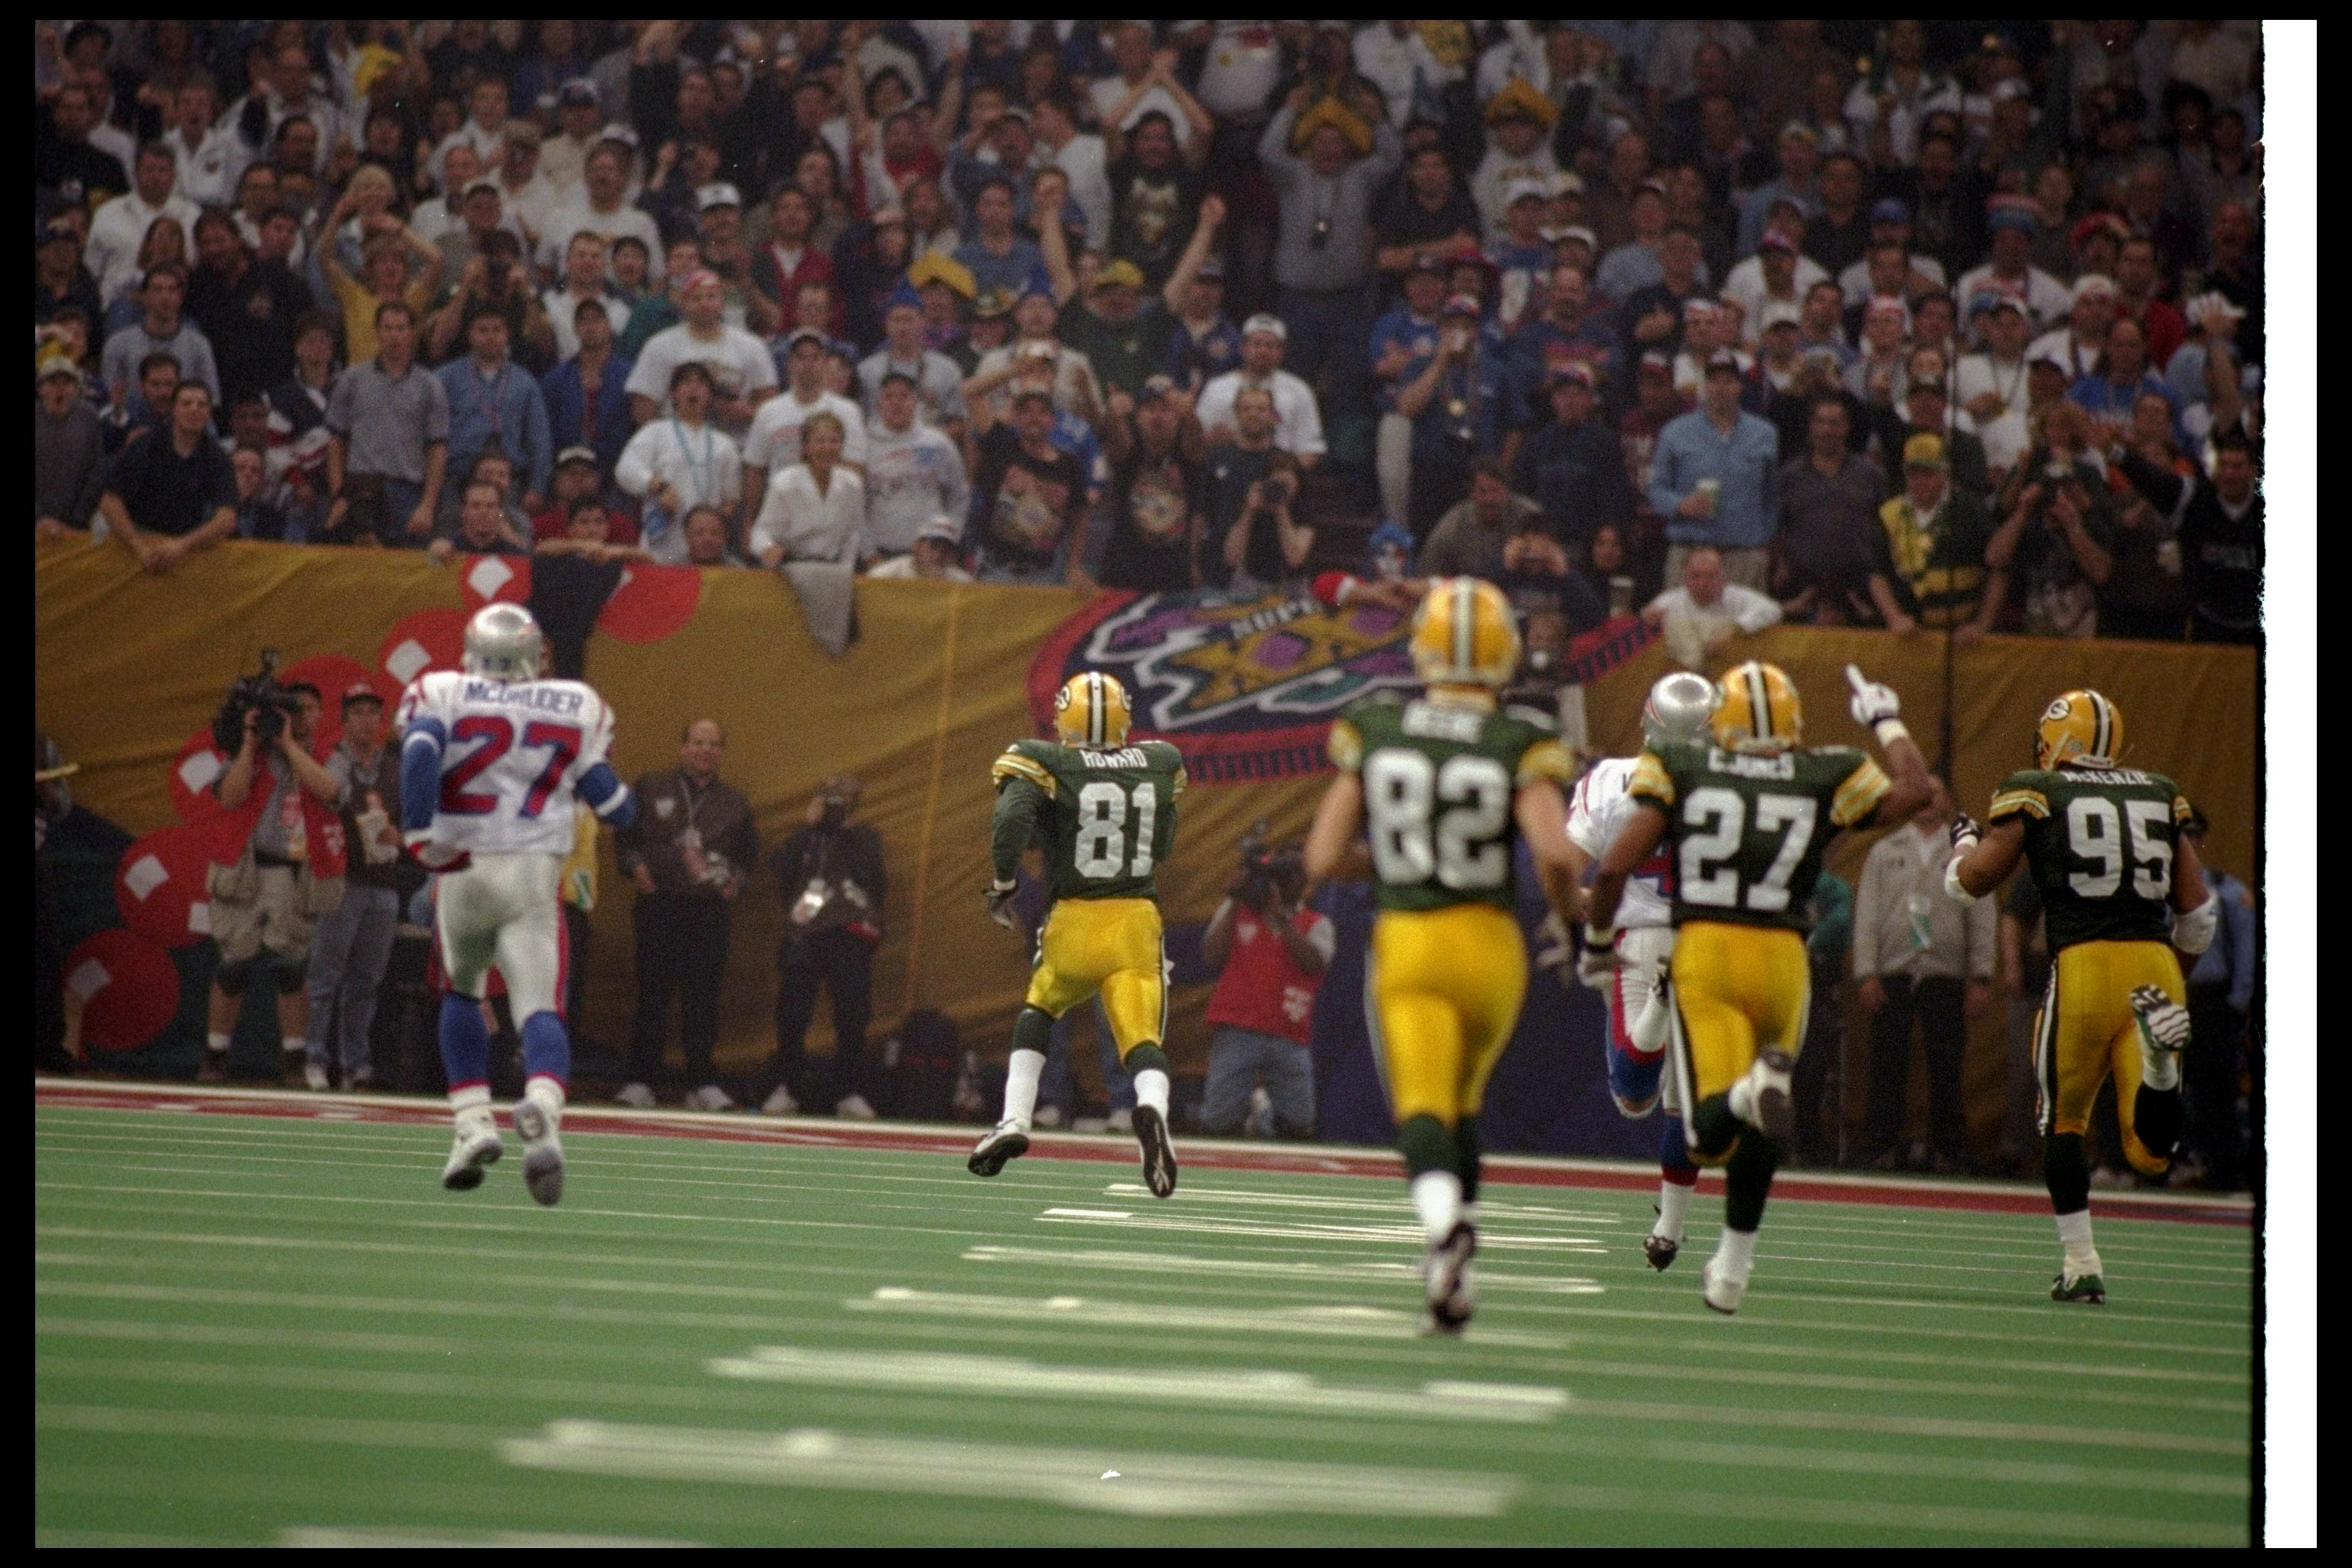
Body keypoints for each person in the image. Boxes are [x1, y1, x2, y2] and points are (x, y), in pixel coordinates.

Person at [1588, 662, 1934, 1312]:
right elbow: (1918, 791)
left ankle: (1748, 1092)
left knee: (1708, 1129)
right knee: (1758, 1132)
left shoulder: (1683, 767)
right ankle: (1733, 1268)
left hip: (1709, 953)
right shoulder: (1822, 770)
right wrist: (1886, 717)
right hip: (1784, 960)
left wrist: (1596, 940)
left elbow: (1611, 866)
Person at [1304, 579, 1579, 1333]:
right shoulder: (1522, 733)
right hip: (1491, 945)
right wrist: (1576, 918)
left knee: (1422, 1107)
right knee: (1464, 1106)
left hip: (1412, 939)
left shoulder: (1377, 723)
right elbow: (1555, 853)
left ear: (1421, 644)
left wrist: (1392, 862)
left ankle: (1440, 1229)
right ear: (1508, 652)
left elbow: (1324, 855)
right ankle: (1449, 1279)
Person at [1945, 688, 2216, 1302]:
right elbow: (2199, 916)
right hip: (2156, 967)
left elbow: (1972, 883)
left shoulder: (2038, 790)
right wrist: (2174, 971)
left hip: (2084, 966)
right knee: (2149, 1153)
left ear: (2056, 740)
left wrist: (1961, 843)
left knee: (2063, 1121)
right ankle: (2159, 1067)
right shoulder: (2159, 791)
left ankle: (2082, 1261)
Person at [397, 604, 635, 1202]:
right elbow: (612, 806)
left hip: (464, 869)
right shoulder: (575, 703)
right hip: (531, 876)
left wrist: (418, 833)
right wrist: (621, 805)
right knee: (538, 1009)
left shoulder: (442, 690)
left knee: (463, 990)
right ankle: (544, 1106)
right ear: (536, 656)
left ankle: (472, 1121)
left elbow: (421, 752)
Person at [973, 673, 1187, 1199]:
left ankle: (1015, 1120)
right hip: (1135, 920)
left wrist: (1004, 883)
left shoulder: (1045, 759)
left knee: (1040, 1010)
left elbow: (1011, 815)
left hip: (1072, 918)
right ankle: (1151, 1114)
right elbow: (1161, 843)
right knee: (1141, 1039)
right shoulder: (1161, 760)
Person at [1560, 671, 1721, 1269]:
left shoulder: (1609, 779)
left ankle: (1669, 1234)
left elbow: (1573, 874)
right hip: (1712, 940)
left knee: (1635, 1095)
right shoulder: (1735, 782)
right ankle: (1671, 1230)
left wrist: (1587, 910)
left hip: (1639, 937)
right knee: (1684, 1100)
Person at [195, 678, 345, 1086]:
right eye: (292, 710)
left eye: (309, 709)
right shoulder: (251, 754)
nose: (300, 716)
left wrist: (290, 747)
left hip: (292, 870)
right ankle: (215, 1055)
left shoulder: (331, 755)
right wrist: (248, 744)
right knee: (232, 966)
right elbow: (229, 797)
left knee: (290, 969)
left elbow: (331, 792)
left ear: (319, 715)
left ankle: (294, 1060)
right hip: (244, 869)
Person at [612, 719, 758, 1112]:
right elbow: (624, 836)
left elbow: (748, 857)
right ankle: (641, 1080)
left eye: (713, 744)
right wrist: (635, 867)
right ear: (683, 748)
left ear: (721, 752)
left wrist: (735, 884)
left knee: (704, 998)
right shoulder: (651, 786)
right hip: (659, 903)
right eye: (698, 743)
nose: (705, 750)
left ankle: (703, 1082)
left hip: (709, 910)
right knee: (652, 995)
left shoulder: (735, 801)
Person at [1853, 776, 1997, 1173]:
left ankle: (1949, 1150)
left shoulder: (1965, 851)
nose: (1930, 800)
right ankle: (1880, 1147)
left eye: (1938, 792)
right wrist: (1866, 972)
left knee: (1946, 1066)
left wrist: (1981, 976)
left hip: (1945, 972)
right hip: (1894, 971)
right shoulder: (1885, 850)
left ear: (1949, 799)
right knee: (1887, 1065)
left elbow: (1983, 914)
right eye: (1924, 792)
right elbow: (1867, 914)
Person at [301, 686, 408, 1092]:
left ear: (382, 722)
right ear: (344, 722)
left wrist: (401, 835)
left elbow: (410, 820)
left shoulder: (393, 768)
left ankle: (354, 1064)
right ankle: (314, 1057)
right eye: (357, 713)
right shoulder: (335, 761)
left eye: (372, 713)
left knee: (366, 981)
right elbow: (334, 797)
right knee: (326, 976)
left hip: (383, 884)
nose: (365, 720)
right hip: (343, 878)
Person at [766, 775, 887, 1119]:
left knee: (852, 1015)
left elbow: (875, 880)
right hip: (804, 932)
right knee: (792, 1014)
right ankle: (786, 1085)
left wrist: (844, 831)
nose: (837, 804)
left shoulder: (865, 836)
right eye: (831, 797)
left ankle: (848, 1090)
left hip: (848, 934)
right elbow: (781, 869)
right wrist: (809, 828)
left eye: (845, 798)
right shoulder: (806, 837)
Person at [1197, 838, 1332, 1138]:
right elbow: (1211, 955)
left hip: (1289, 1031)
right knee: (1217, 1123)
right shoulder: (1239, 910)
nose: (1289, 882)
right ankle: (1250, 1115)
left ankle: (1265, 1115)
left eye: (1296, 875)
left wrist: (1282, 918)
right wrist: (1235, 898)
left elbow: (1315, 963)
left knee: (1299, 1125)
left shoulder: (1316, 923)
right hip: (1238, 1024)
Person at [1648, 353, 1782, 590]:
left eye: (1728, 381)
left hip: (1743, 555)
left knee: (1743, 627)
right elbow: (1656, 488)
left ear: (1740, 386)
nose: (1721, 388)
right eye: (1714, 381)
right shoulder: (1675, 432)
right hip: (1689, 554)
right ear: (1704, 385)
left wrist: (1765, 541)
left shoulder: (1764, 434)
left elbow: (1771, 495)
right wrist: (1680, 505)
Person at [323, 302, 449, 548]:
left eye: (401, 328)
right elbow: (336, 440)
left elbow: (437, 449)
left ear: (412, 332)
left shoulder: (430, 386)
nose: (394, 336)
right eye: (388, 328)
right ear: (377, 332)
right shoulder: (352, 380)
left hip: (408, 493)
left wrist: (427, 505)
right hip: (361, 492)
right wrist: (339, 494)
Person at [2175, 808, 2254, 1192]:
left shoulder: (2226, 892)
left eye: (2193, 834)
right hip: (2173, 998)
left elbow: (2247, 951)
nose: (2187, 842)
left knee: (2216, 1090)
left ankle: (2226, 1168)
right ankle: (2182, 1163)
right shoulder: (2160, 893)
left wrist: (2236, 1004)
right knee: (2169, 1087)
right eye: (2180, 834)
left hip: (2212, 1001)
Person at [97, 380, 237, 575]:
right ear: (173, 409)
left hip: (184, 547)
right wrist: (139, 547)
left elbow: (227, 518)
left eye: (201, 405)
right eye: (186, 404)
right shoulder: (146, 445)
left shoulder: (217, 457)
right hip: (134, 542)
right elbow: (110, 500)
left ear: (209, 413)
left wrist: (182, 545)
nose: (194, 410)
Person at [614, 362, 743, 565]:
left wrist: (714, 527)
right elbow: (626, 469)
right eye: (686, 382)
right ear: (674, 393)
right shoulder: (655, 432)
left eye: (701, 383)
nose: (694, 388)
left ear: (709, 395)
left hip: (705, 545)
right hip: (665, 537)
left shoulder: (724, 444)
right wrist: (658, 486)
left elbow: (731, 498)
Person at [1877, 433, 2004, 639]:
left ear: (1945, 474)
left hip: (1963, 638)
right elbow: (1877, 572)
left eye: (1928, 474)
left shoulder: (1970, 510)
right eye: (1913, 474)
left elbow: (1999, 568)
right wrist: (1894, 617)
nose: (1920, 481)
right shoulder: (1889, 514)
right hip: (1908, 637)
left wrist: (1982, 624)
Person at [437, 309, 552, 512]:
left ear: (507, 335)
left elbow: (539, 439)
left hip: (509, 482)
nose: (491, 337)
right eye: (483, 330)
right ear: (470, 335)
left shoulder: (525, 382)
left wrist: (537, 487)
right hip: (456, 480)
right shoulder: (445, 378)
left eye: (497, 330)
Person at [863, 372, 972, 564]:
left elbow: (959, 496)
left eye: (904, 396)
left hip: (932, 556)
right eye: (889, 397)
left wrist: (950, 538)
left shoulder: (939, 443)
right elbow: (856, 508)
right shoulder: (864, 445)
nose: (896, 403)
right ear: (878, 405)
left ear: (916, 403)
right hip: (881, 555)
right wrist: (868, 552)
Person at [750, 409, 864, 570]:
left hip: (834, 570)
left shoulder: (852, 484)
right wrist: (768, 548)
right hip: (789, 568)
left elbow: (852, 536)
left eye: (834, 441)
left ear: (842, 445)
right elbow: (760, 534)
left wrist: (845, 571)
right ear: (806, 447)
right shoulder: (785, 483)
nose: (827, 448)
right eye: (820, 441)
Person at [1641, 545, 1783, 673]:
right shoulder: (1669, 600)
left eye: (1711, 576)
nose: (1703, 583)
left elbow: (1774, 610)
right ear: (1685, 577)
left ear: (1723, 576)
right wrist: (1646, 617)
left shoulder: (1738, 597)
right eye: (1696, 576)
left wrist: (1734, 629)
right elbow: (1647, 616)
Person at [100, 264, 220, 407]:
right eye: (157, 290)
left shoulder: (198, 345)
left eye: (172, 290)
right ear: (144, 297)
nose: (165, 297)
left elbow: (212, 399)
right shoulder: (118, 344)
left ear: (181, 298)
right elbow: (109, 398)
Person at [36, 352, 107, 536]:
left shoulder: (89, 418)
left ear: (76, 388)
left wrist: (77, 519)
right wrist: (40, 518)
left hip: (78, 521)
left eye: (66, 383)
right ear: (41, 388)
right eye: (53, 383)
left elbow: (96, 471)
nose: (60, 389)